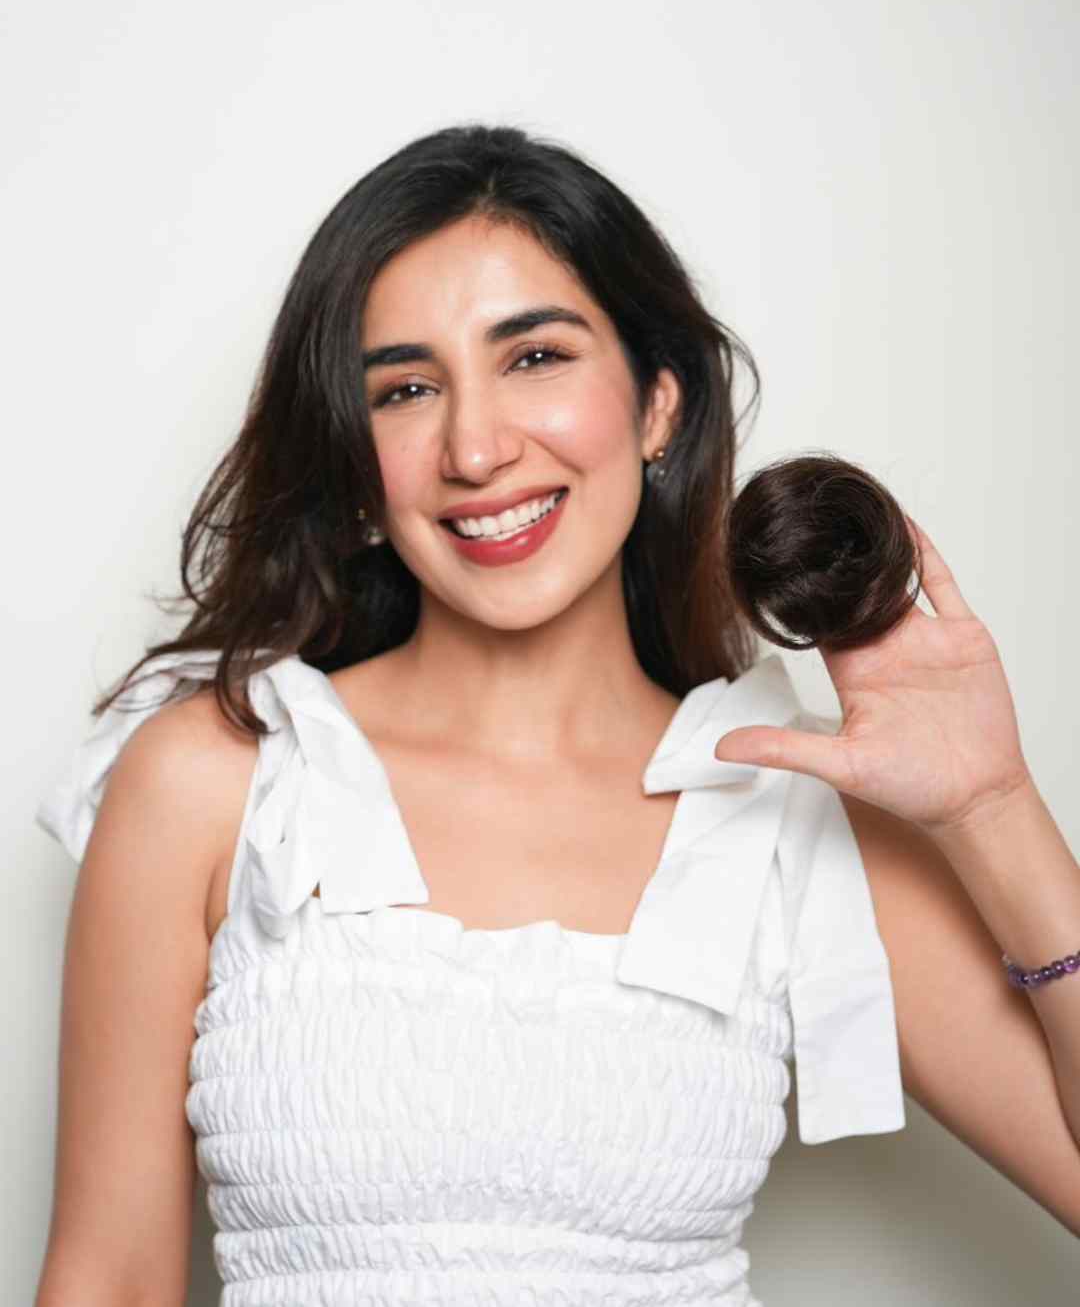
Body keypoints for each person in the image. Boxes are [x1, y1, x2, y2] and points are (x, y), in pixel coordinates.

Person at [33, 123, 1080, 1306]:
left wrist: (994, 808)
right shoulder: (213, 782)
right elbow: (110, 1278)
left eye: (534, 357)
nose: (476, 448)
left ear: (657, 405)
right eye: (407, 388)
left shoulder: (784, 809)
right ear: (355, 463)